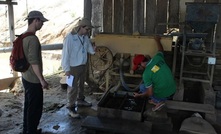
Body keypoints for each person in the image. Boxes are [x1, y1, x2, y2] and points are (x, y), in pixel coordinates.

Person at [61, 18, 95, 118]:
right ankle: (70, 107)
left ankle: (80, 100)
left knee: (81, 85)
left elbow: (89, 48)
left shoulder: (85, 37)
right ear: (81, 27)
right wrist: (66, 69)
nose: (88, 31)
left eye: (89, 30)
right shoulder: (70, 38)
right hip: (72, 68)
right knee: (71, 87)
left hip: (82, 65)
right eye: (87, 29)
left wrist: (93, 50)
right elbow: (65, 54)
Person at [22, 10, 49, 134]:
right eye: (41, 22)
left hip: (25, 76)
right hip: (33, 79)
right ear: (36, 20)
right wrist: (41, 80)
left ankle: (27, 129)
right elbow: (34, 62)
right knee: (35, 108)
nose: (42, 24)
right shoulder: (32, 39)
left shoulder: (23, 36)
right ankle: (31, 131)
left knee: (28, 106)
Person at [133, 36, 176, 111]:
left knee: (142, 88)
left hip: (165, 95)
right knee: (148, 85)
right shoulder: (157, 58)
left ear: (142, 63)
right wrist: (157, 40)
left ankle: (159, 102)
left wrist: (139, 95)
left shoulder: (146, 74)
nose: (138, 68)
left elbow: (149, 93)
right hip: (172, 90)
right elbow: (161, 50)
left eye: (138, 66)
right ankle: (157, 99)